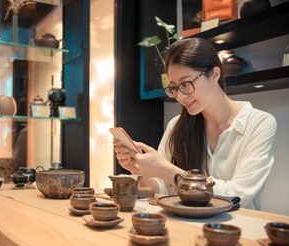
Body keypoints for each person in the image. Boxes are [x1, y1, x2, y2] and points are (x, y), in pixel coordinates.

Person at [113, 38, 277, 210]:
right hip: (185, 226)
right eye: (174, 87)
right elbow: (163, 188)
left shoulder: (260, 123)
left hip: (235, 229)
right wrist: (140, 169)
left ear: (214, 75)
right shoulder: (177, 125)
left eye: (186, 84)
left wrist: (164, 170)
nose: (180, 96)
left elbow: (237, 196)